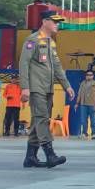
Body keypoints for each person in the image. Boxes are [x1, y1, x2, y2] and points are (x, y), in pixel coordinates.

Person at [19, 10, 74, 168]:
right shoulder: (32, 40)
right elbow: (24, 64)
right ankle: (50, 154)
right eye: (54, 21)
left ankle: (30, 157)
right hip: (36, 88)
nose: (58, 24)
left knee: (39, 121)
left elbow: (57, 67)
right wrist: (25, 88)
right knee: (42, 119)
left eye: (58, 22)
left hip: (47, 88)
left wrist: (67, 86)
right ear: (44, 21)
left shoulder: (51, 42)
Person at [75, 70, 95, 139]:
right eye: (87, 75)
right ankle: (84, 133)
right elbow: (79, 93)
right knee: (83, 120)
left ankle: (94, 133)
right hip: (83, 104)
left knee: (93, 120)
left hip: (92, 104)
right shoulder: (82, 83)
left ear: (93, 76)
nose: (89, 76)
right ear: (86, 76)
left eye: (90, 75)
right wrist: (77, 103)